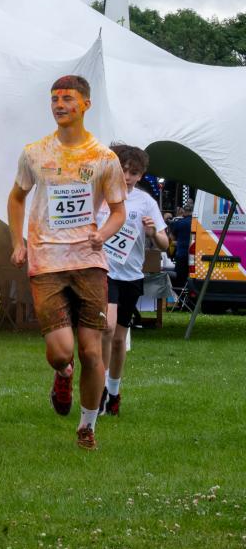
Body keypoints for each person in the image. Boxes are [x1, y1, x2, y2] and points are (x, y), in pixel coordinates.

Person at [7, 75, 126, 452]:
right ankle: (62, 373)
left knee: (93, 349)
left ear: (85, 105)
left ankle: (87, 427)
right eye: (55, 99)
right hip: (46, 260)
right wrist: (17, 242)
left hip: (89, 261)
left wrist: (102, 233)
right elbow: (16, 198)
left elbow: (119, 211)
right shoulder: (35, 153)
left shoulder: (104, 159)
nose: (59, 105)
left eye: (68, 99)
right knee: (61, 351)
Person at [97, 144, 168, 416]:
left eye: (134, 172)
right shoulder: (100, 197)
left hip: (132, 275)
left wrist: (152, 232)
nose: (127, 176)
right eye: (123, 169)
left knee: (118, 339)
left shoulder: (145, 202)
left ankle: (114, 393)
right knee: (107, 327)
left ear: (141, 175)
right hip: (104, 272)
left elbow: (164, 243)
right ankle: (100, 390)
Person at [169, 206, 193, 294]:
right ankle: (191, 299)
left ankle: (180, 299)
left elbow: (172, 238)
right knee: (192, 278)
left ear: (183, 212)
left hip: (181, 254)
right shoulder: (197, 223)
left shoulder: (179, 223)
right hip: (195, 255)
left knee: (179, 279)